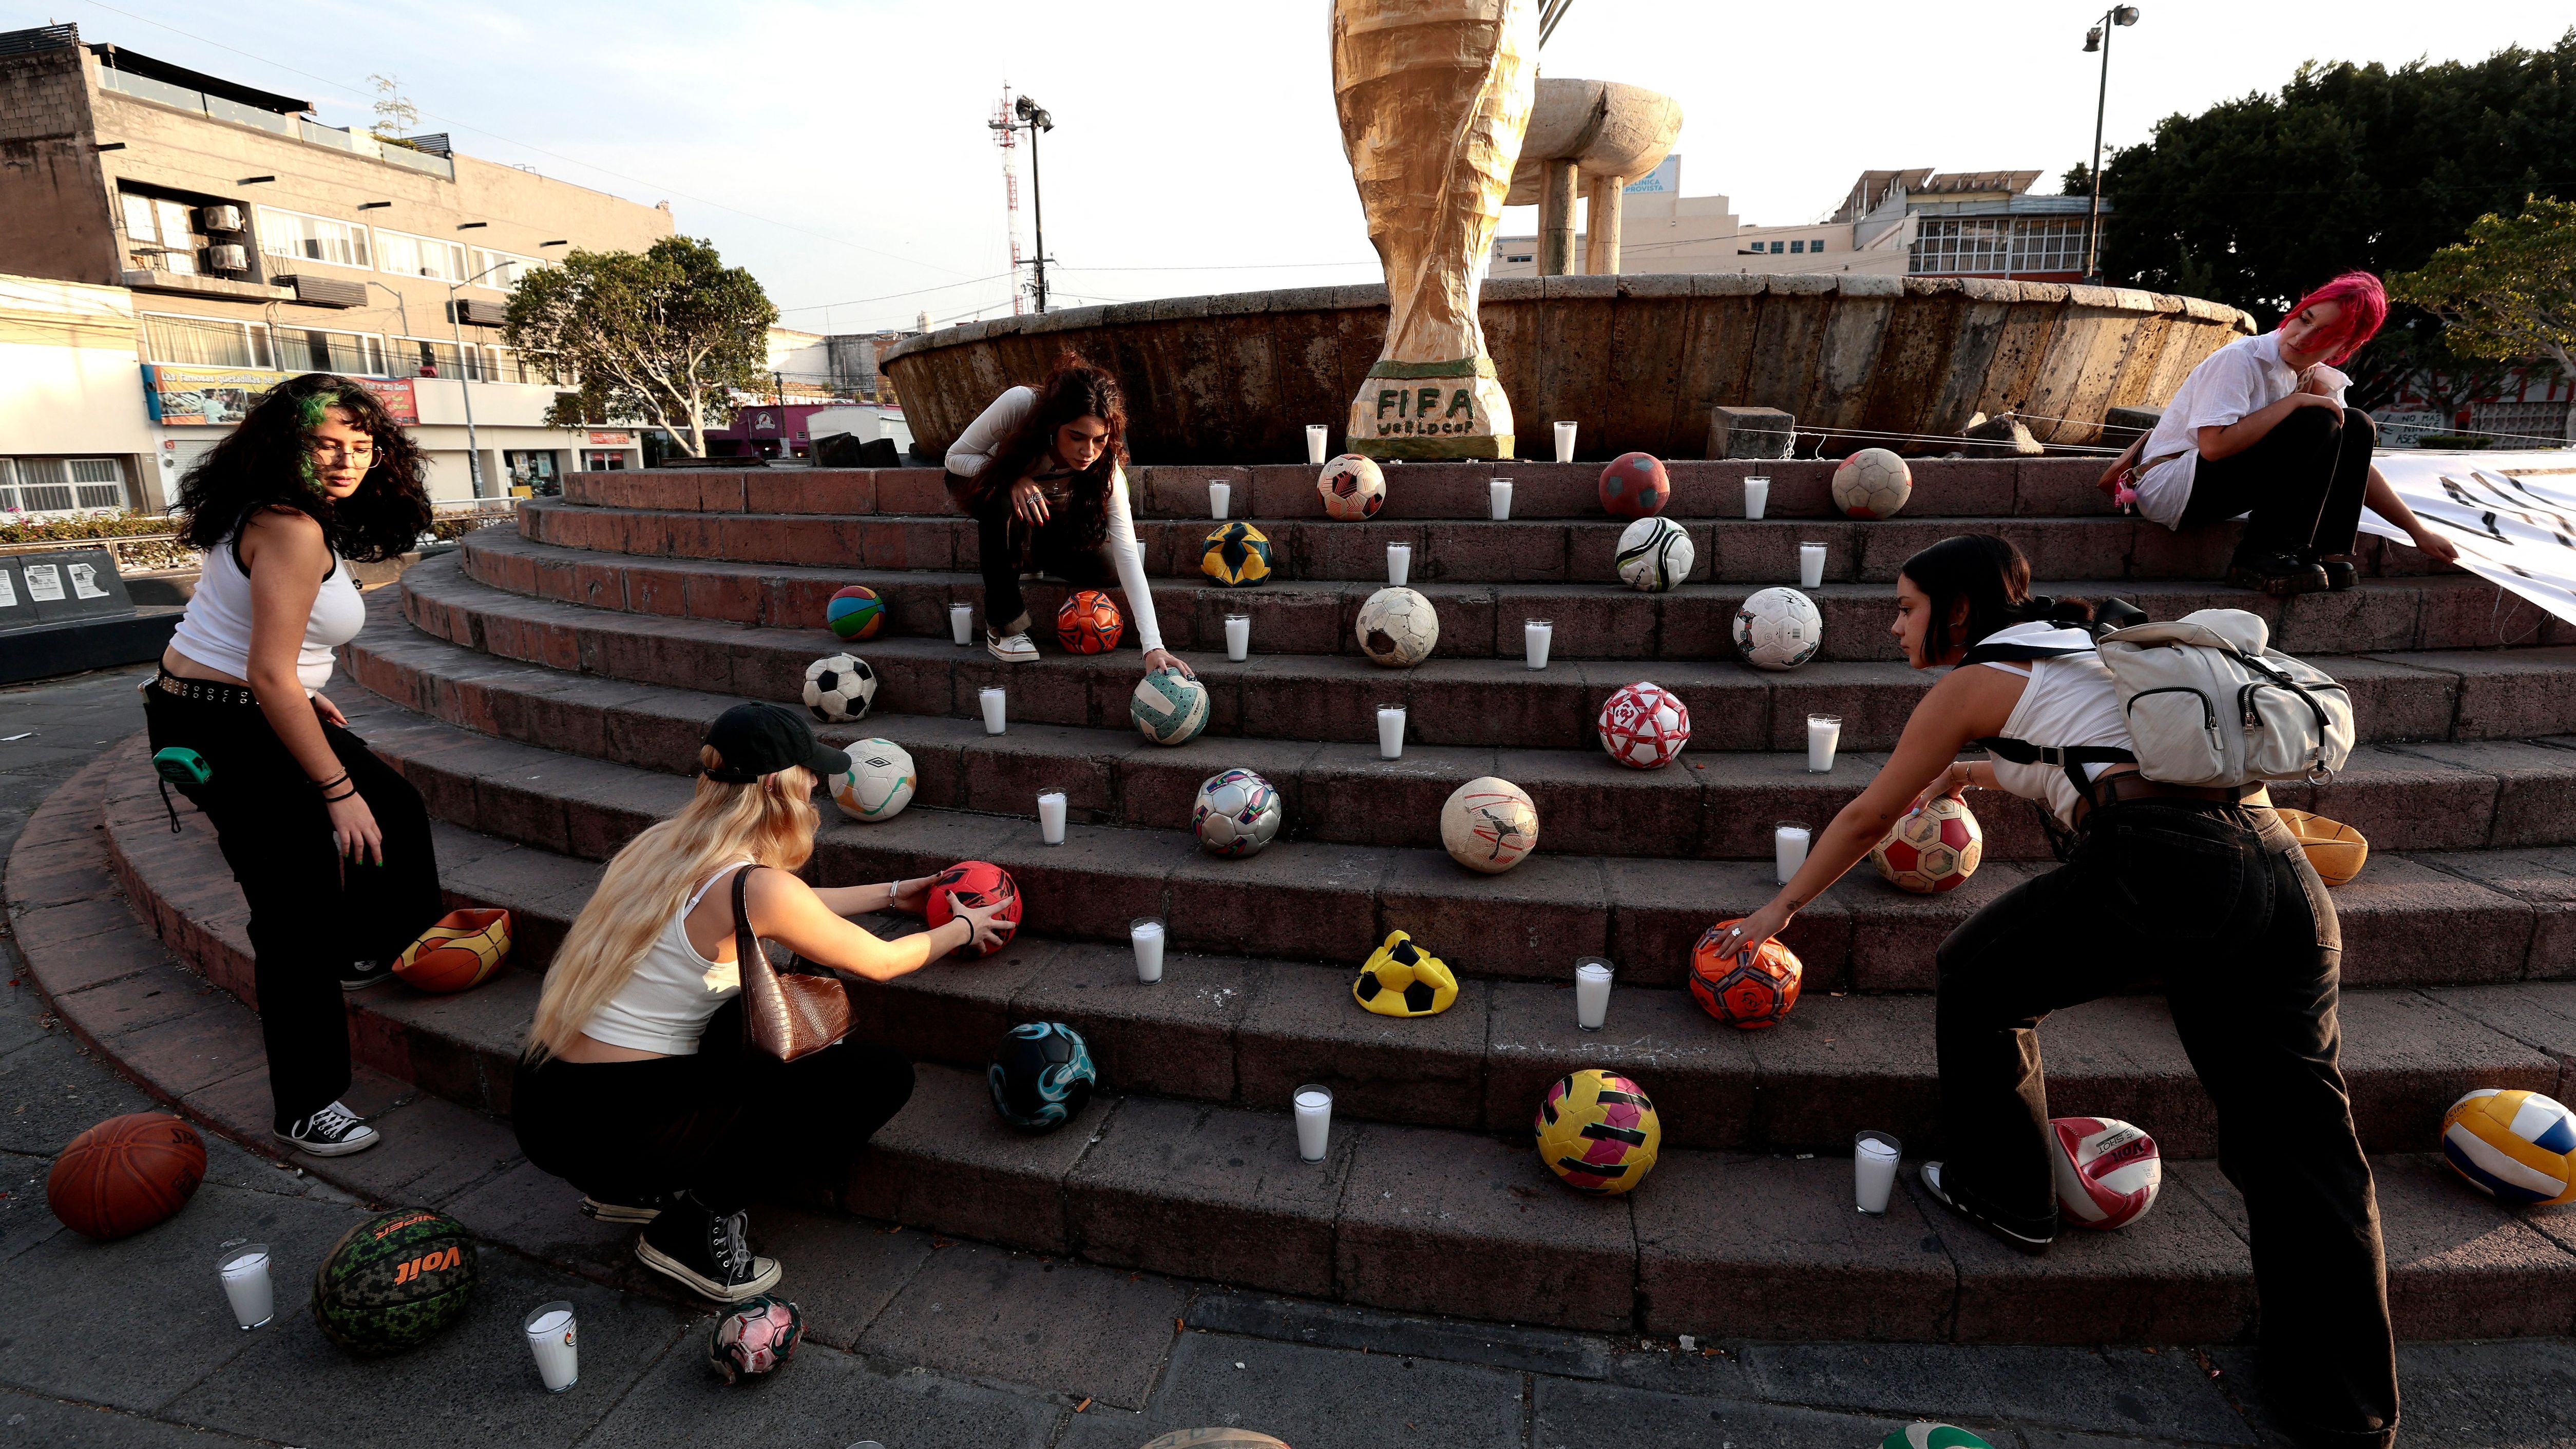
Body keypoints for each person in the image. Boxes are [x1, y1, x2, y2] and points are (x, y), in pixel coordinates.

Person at [1715, 535, 2396, 1448]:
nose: (1893, 625)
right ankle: (2345, 1409)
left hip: (2163, 864)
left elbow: (1870, 814)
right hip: (2280, 872)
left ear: (1958, 611)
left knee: (1976, 979)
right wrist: (1970, 770)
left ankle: (2005, 1194)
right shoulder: (2089, 646)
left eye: (1908, 608)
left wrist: (1778, 910)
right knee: (2304, 1146)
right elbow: (2078, 750)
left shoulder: (1968, 685)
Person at [512, 702, 1010, 1302]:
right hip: (622, 1129)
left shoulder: (662, 846)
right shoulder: (755, 883)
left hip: (550, 1105)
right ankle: (693, 1230)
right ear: (778, 784)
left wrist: (896, 892)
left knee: (729, 1021)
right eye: (811, 773)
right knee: (874, 1078)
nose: (819, 785)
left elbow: (781, 900)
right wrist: (963, 927)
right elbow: (881, 961)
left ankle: (625, 1194)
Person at [145, 373, 443, 1158]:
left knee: (398, 816)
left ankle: (358, 952)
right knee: (294, 910)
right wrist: (335, 788)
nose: (347, 459)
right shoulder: (289, 529)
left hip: (251, 706)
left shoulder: (287, 512)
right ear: (287, 444)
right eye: (325, 443)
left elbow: (236, 636)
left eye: (362, 443)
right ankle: (307, 1104)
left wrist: (305, 701)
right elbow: (271, 671)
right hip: (232, 727)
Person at [2101, 271, 2458, 596]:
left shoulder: (2317, 377)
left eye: (2324, 336)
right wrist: (2292, 404)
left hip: (2221, 483)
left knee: (2356, 424)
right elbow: (2212, 447)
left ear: (2343, 349)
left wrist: (2417, 533)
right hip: (2173, 485)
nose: (2303, 337)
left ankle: (2321, 550)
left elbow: (2355, 466)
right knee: (2316, 420)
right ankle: (2260, 556)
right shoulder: (2242, 358)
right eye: (2305, 319)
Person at [943, 354, 1193, 673]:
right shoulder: (1021, 404)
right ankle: (1004, 626)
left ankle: (1032, 555)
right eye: (1076, 436)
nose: (1088, 451)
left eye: (1099, 440)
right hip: (981, 479)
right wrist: (1010, 478)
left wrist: (1153, 647)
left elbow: (1128, 552)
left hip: (1043, 498)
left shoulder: (1106, 467)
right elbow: (955, 457)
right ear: (1053, 424)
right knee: (1003, 500)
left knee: (1106, 566)